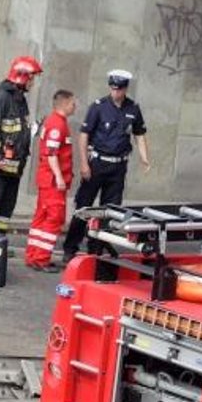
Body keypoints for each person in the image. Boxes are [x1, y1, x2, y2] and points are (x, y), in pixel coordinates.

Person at [61, 69, 150, 263]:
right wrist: (84, 163)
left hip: (118, 167)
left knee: (109, 211)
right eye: (112, 88)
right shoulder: (98, 107)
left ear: (125, 89)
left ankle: (96, 249)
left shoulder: (133, 108)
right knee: (83, 207)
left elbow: (139, 133)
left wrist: (144, 157)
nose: (115, 92)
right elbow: (84, 135)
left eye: (119, 89)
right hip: (98, 164)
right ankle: (70, 248)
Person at [0, 55, 43, 239]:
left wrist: (34, 130)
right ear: (22, 76)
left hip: (13, 169)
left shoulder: (20, 100)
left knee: (4, 213)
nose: (33, 83)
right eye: (31, 78)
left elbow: (18, 131)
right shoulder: (0, 98)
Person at [24, 90, 77, 272]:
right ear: (64, 104)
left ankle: (33, 255)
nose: (75, 106)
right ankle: (41, 258)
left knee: (41, 217)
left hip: (47, 180)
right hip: (53, 182)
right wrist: (60, 178)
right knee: (54, 218)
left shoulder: (54, 121)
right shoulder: (58, 124)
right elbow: (52, 154)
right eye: (72, 103)